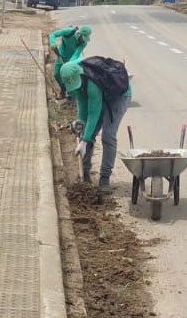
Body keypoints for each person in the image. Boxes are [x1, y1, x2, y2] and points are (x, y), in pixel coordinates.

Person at [60, 59, 131, 193]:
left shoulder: (91, 84)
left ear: (79, 76)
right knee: (87, 132)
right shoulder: (78, 84)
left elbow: (93, 114)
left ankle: (104, 178)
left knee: (108, 136)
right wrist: (80, 124)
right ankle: (85, 175)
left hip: (118, 97)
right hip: (102, 97)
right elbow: (82, 107)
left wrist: (85, 141)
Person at [48, 25, 92, 98]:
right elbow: (52, 34)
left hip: (72, 59)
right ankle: (63, 89)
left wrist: (69, 64)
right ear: (79, 35)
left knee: (70, 76)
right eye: (82, 38)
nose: (83, 40)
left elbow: (76, 53)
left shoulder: (84, 43)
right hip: (61, 56)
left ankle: (71, 92)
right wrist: (52, 44)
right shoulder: (69, 32)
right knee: (56, 74)